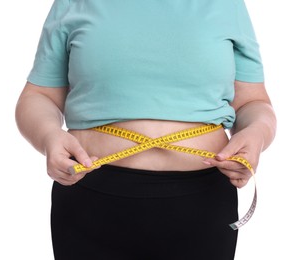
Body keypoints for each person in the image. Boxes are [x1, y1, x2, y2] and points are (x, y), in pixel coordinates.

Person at [15, 0, 277, 259]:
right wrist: (49, 135)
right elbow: (39, 95)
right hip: (89, 195)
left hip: (202, 204)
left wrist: (257, 133)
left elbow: (252, 102)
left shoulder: (226, 4)